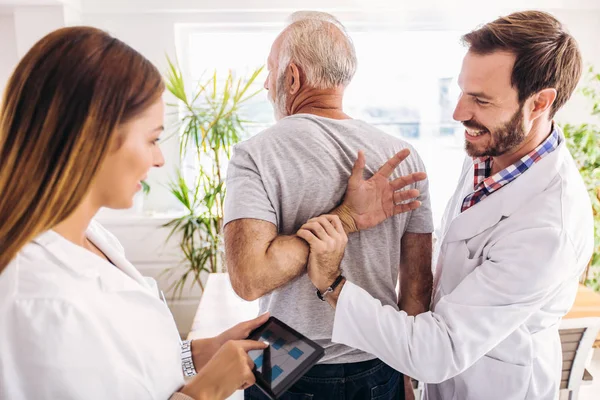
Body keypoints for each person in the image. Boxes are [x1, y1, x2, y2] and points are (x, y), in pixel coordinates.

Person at [296, 10, 595, 400]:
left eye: (480, 100)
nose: (458, 113)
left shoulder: (548, 227)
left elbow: (437, 352)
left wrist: (333, 283)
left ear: (540, 103)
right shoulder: (491, 153)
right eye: (462, 90)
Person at [0, 26, 269, 400]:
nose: (159, 159)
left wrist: (201, 353)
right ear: (93, 136)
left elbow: (125, 366)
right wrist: (204, 392)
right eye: (152, 139)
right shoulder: (39, 304)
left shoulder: (91, 239)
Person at [223, 11, 431, 400]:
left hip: (283, 352)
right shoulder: (403, 158)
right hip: (379, 352)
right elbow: (417, 283)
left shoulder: (256, 154)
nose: (267, 84)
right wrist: (409, 367)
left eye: (270, 72)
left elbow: (248, 281)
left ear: (292, 77)